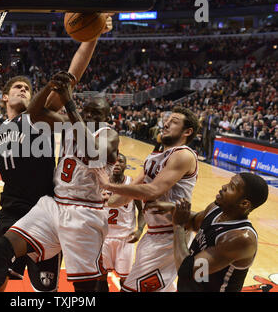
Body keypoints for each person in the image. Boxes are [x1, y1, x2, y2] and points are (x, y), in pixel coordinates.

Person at [0, 14, 113, 292]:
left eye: (28, 88)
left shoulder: (42, 117)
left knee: (45, 288)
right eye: (18, 87)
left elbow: (72, 75)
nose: (24, 90)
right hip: (11, 209)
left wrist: (92, 34)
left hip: (45, 207)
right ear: (4, 97)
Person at [0, 72, 119, 292]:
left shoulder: (109, 134)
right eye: (87, 111)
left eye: (97, 113)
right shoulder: (69, 124)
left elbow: (93, 153)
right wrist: (49, 87)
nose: (90, 115)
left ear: (107, 117)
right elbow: (31, 114)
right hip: (54, 205)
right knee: (0, 248)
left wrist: (70, 103)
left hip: (85, 213)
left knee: (86, 288)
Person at [95, 106, 200, 292]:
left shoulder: (183, 155)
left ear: (187, 131)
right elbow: (131, 192)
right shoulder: (155, 156)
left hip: (171, 234)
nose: (166, 123)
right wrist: (105, 201)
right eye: (167, 120)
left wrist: (108, 185)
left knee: (131, 289)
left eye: (174, 122)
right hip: (154, 233)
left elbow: (152, 190)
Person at [145, 172, 269, 292]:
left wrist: (178, 225)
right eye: (229, 183)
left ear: (244, 203)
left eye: (232, 187)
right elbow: (194, 222)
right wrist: (173, 209)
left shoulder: (240, 238)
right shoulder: (216, 208)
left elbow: (186, 270)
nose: (224, 187)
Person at [99, 153, 145, 291]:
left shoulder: (131, 184)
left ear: (126, 165)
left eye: (121, 161)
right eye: (115, 161)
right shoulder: (100, 183)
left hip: (125, 239)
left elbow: (142, 210)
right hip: (104, 238)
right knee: (100, 278)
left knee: (126, 280)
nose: (117, 164)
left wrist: (140, 229)